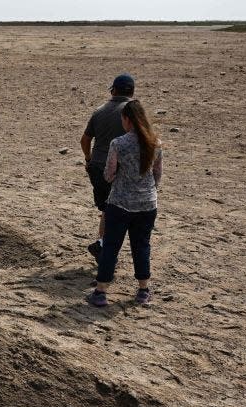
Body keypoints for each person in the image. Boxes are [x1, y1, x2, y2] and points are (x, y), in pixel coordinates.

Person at [87, 100, 162, 307]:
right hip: (147, 204)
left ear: (127, 119)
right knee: (142, 246)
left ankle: (101, 292)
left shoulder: (118, 144)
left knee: (111, 246)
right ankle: (143, 290)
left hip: (120, 202)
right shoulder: (155, 143)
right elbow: (157, 176)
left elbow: (109, 175)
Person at [81, 74, 135, 261]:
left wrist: (88, 159)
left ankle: (102, 244)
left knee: (107, 207)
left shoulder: (100, 110)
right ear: (132, 91)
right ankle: (105, 247)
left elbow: (85, 139)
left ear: (113, 90)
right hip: (120, 169)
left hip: (97, 166)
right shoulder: (132, 111)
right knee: (118, 211)